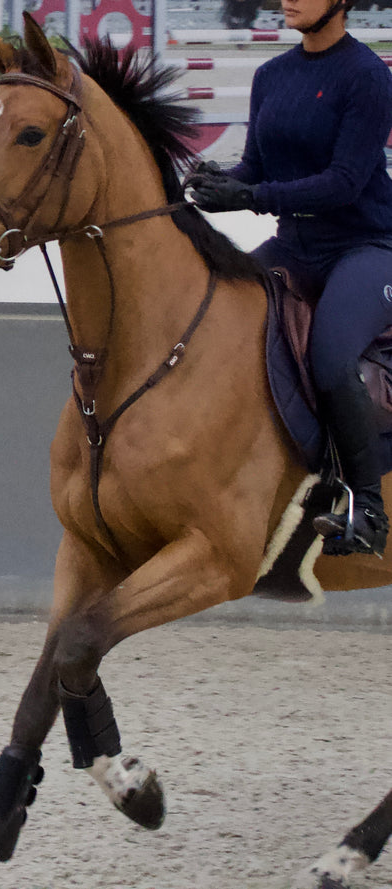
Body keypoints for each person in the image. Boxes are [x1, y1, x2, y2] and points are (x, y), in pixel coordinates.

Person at [189, 0, 392, 557]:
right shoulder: (271, 75)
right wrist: (215, 183)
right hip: (294, 247)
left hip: (365, 247)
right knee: (215, 316)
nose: (287, 0)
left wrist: (251, 198)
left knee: (330, 359)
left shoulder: (368, 77)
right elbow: (255, 165)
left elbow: (345, 183)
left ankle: (367, 509)